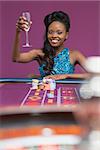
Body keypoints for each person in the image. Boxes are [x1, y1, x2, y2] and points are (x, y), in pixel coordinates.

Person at [12, 11, 90, 80]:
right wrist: (18, 32)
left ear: (66, 35)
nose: (54, 36)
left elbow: (96, 75)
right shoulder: (39, 53)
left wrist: (66, 76)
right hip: (45, 94)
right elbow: (16, 58)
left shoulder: (75, 55)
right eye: (50, 32)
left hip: (65, 94)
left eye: (59, 32)